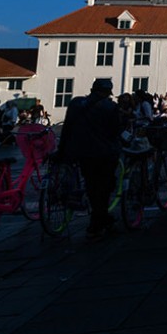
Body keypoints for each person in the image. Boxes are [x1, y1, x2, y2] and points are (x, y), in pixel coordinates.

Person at [58, 79, 122, 239]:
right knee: (105, 187)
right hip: (104, 153)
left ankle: (99, 219)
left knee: (92, 185)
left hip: (83, 153)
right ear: (107, 92)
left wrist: (62, 151)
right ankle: (98, 221)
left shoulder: (76, 104)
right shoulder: (110, 107)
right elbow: (116, 131)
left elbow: (67, 129)